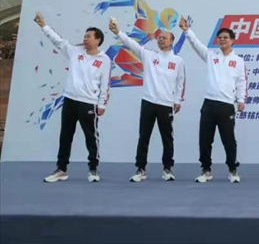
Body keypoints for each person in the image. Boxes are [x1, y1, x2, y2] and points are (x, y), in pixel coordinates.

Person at [35, 12, 110, 183]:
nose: (85, 39)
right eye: (85, 36)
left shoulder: (104, 60)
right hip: (70, 100)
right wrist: (44, 25)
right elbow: (57, 41)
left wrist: (102, 104)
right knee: (65, 136)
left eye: (89, 36)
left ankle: (93, 169)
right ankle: (61, 169)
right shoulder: (75, 51)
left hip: (88, 103)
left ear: (98, 40)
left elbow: (105, 84)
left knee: (91, 137)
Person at [108, 18, 185, 183]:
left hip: (166, 104)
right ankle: (140, 169)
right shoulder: (149, 55)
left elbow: (180, 82)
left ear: (171, 41)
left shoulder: (178, 61)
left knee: (167, 138)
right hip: (148, 102)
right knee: (144, 137)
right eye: (159, 37)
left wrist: (178, 100)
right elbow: (131, 45)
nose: (160, 39)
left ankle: (167, 169)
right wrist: (118, 32)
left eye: (164, 38)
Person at [179, 17, 246, 184]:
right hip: (209, 104)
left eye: (226, 37)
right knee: (205, 139)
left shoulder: (238, 61)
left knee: (229, 140)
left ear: (232, 41)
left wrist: (241, 99)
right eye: (220, 37)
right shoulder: (210, 55)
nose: (222, 40)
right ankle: (206, 170)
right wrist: (187, 30)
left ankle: (232, 170)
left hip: (226, 105)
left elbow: (241, 82)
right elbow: (195, 44)